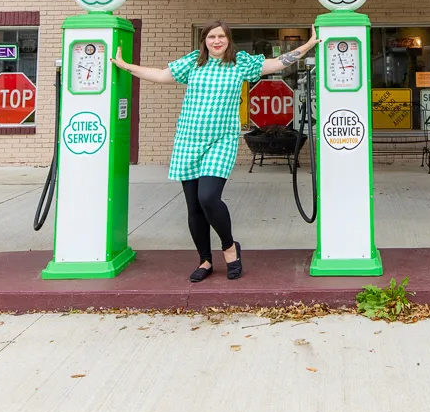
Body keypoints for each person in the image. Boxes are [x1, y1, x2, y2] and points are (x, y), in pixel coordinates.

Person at [113, 21, 318, 282]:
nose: (217, 41)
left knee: (208, 198)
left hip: (221, 141)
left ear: (228, 40)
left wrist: (308, 46)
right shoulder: (193, 62)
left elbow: (277, 63)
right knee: (194, 207)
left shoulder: (240, 63)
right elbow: (162, 75)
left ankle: (230, 247)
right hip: (189, 141)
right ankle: (205, 260)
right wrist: (126, 66)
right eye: (212, 36)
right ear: (205, 40)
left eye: (221, 36)